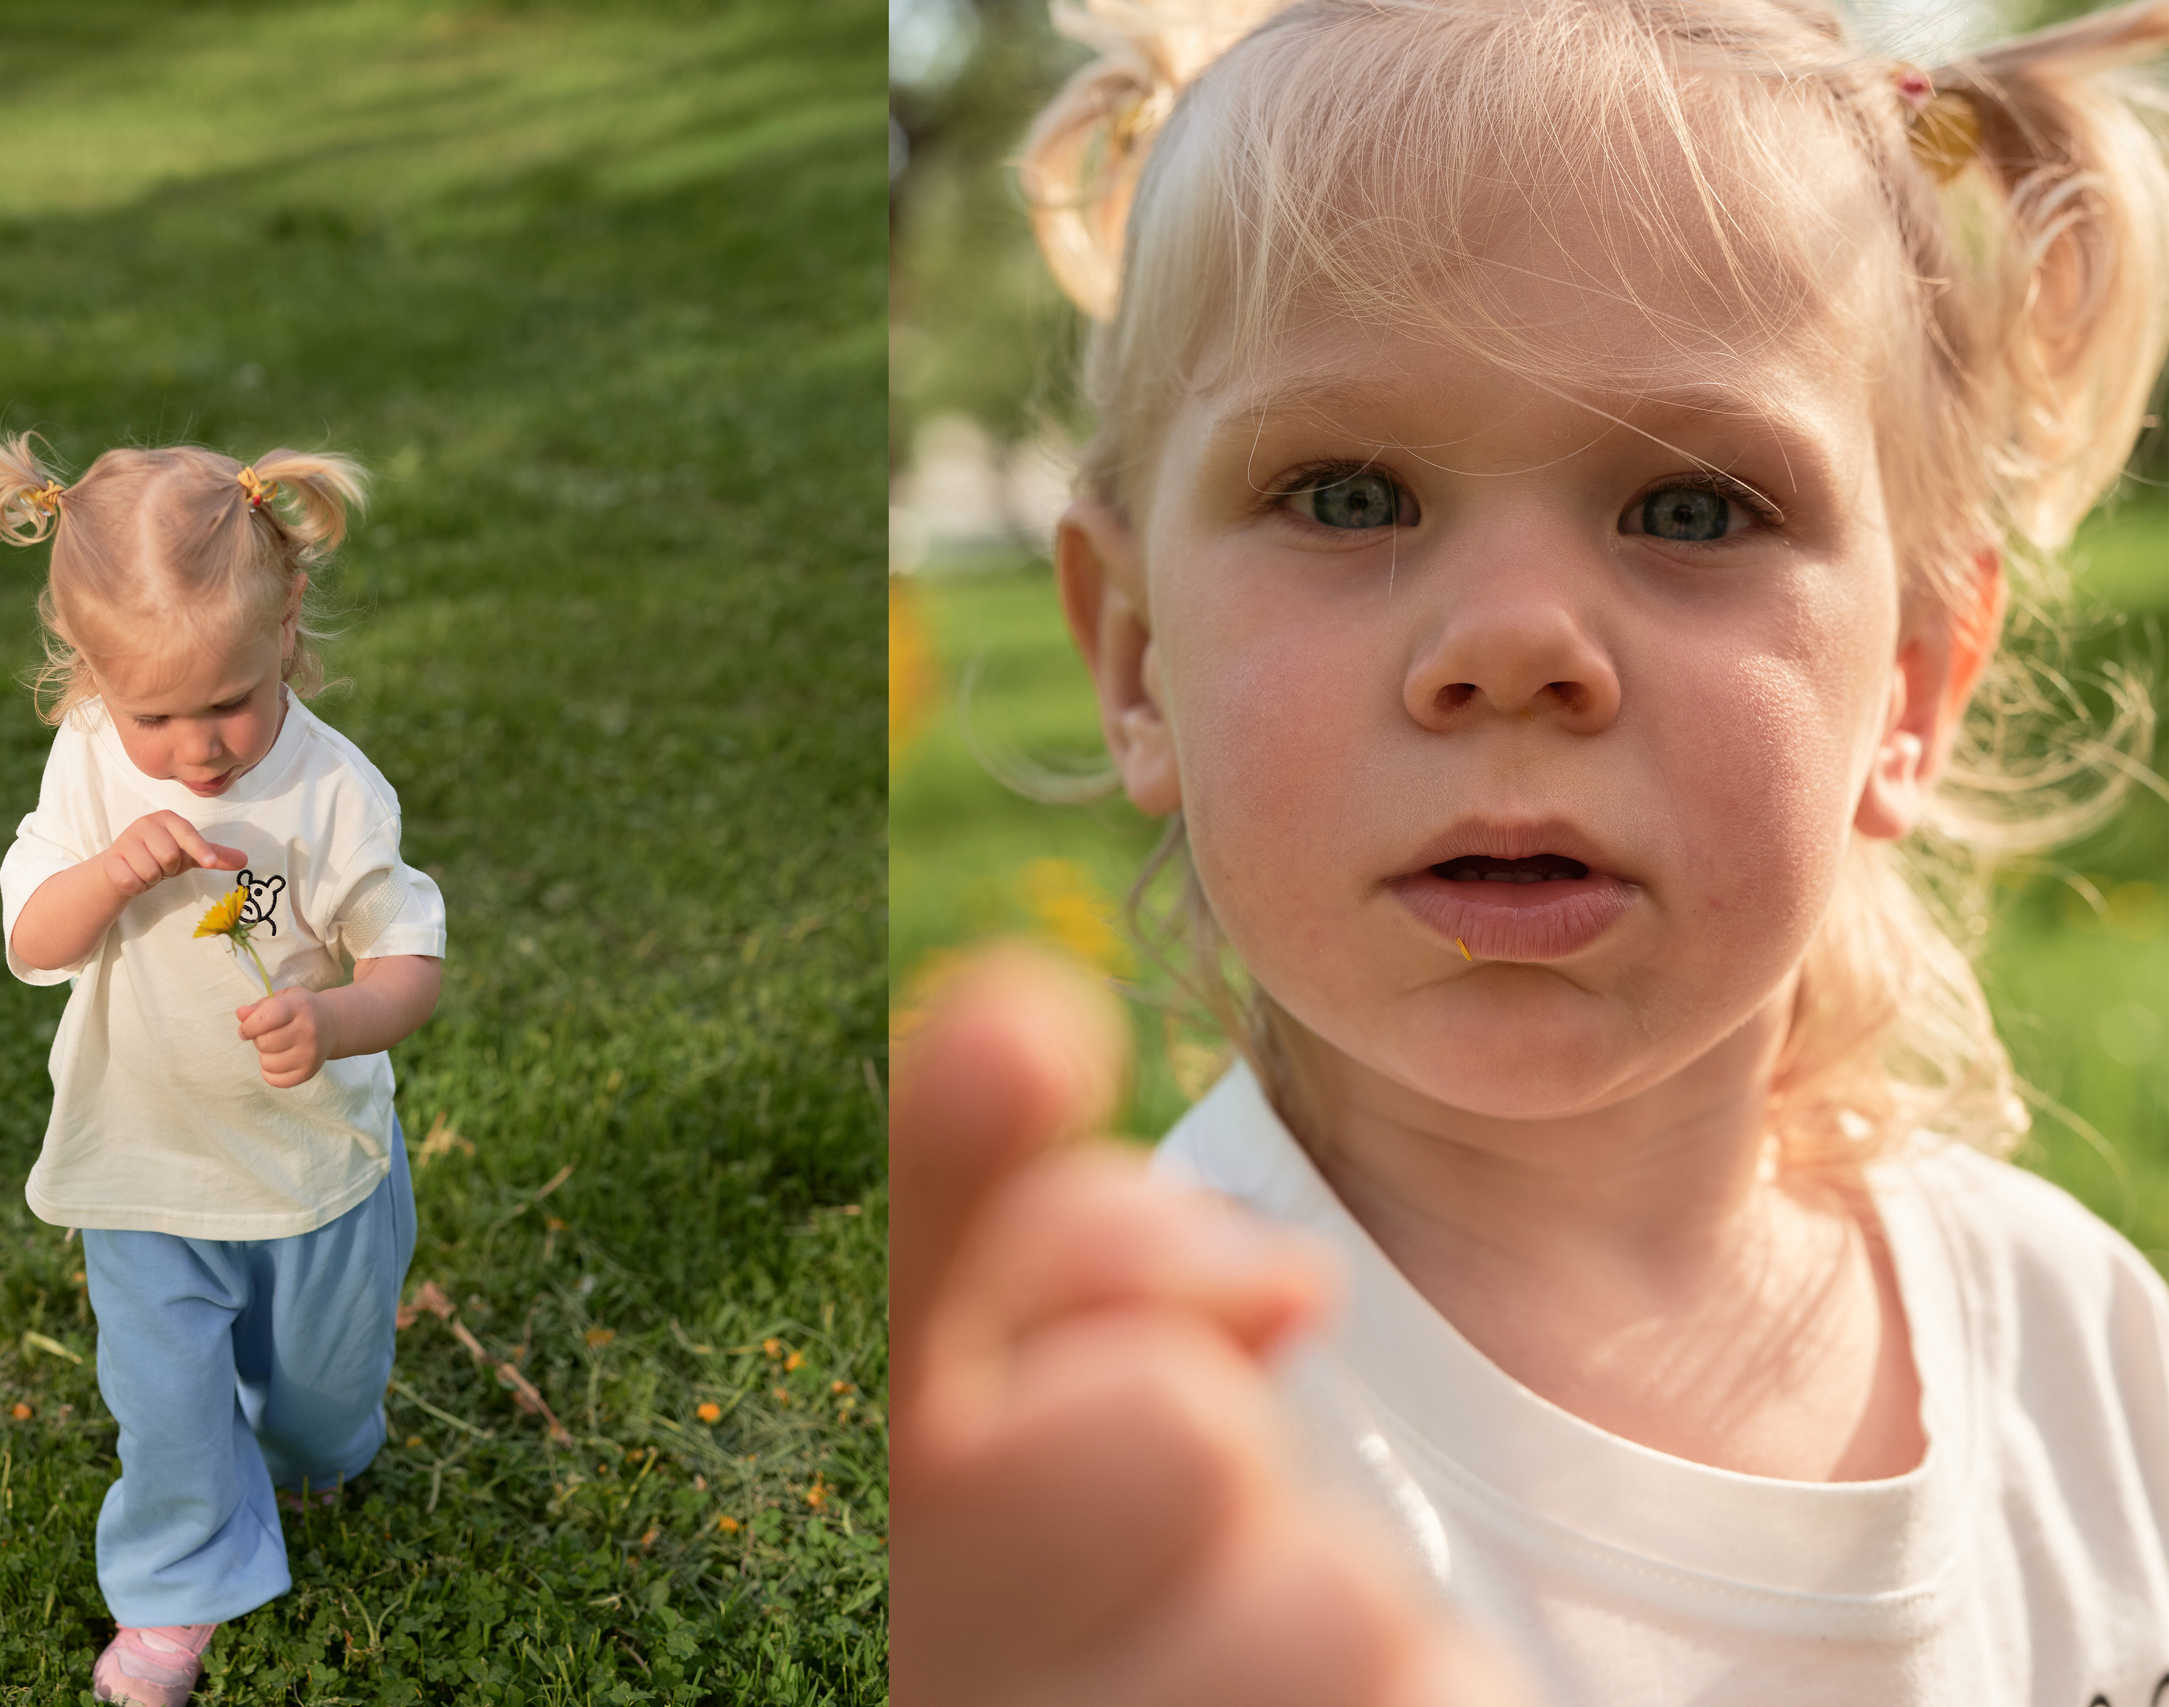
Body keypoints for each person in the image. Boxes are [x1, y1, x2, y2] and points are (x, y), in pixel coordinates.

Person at [892, 1, 2169, 1701]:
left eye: (1693, 508)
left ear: (1914, 683)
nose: (1509, 642)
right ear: (1135, 659)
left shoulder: (2090, 1350)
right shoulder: (1130, 1470)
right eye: (1349, 496)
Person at [0, 407, 445, 1707]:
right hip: (146, 1157)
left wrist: (337, 1020)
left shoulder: (334, 792)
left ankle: (312, 1453)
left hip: (312, 1163)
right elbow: (34, 941)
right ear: (94, 678)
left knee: (317, 1416)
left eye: (229, 703)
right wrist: (113, 866)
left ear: (286, 627)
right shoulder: (91, 771)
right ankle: (173, 1595)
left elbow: (408, 959)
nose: (200, 748)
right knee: (171, 1409)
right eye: (155, 714)